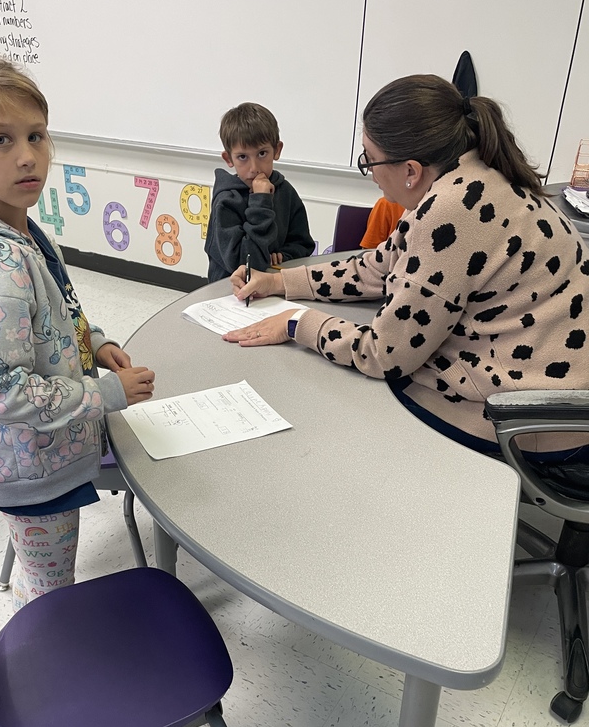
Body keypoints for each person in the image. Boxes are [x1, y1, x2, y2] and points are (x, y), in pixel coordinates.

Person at [223, 73, 589, 457]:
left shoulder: (452, 211)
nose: (370, 173)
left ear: (410, 170)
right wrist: (279, 282)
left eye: (369, 160)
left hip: (530, 420)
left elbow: (383, 354)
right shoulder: (469, 174)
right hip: (552, 391)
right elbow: (378, 268)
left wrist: (296, 323)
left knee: (342, 411)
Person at [0, 58, 155, 610]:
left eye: (36, 136)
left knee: (43, 571)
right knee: (49, 592)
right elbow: (2, 391)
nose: (28, 156)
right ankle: (44, 662)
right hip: (29, 464)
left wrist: (97, 342)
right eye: (1, 139)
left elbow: (56, 316)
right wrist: (106, 393)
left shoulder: (19, 227)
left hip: (39, 451)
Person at [204, 102, 315, 283]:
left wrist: (284, 256)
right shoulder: (226, 202)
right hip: (230, 294)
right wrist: (260, 201)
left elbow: (303, 244)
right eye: (242, 157)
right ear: (228, 159)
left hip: (275, 286)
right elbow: (245, 266)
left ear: (277, 150)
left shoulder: (286, 191)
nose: (254, 168)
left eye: (262, 153)